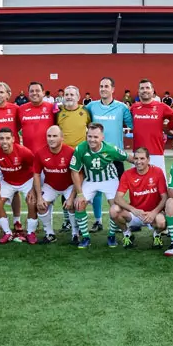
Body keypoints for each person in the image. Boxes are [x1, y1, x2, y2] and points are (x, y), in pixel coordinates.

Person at [69, 123, 132, 248]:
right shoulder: (80, 148)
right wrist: (80, 194)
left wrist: (143, 163)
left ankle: (111, 235)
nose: (92, 140)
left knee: (116, 207)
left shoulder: (110, 149)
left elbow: (128, 157)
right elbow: (74, 172)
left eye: (95, 137)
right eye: (90, 136)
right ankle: (86, 237)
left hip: (110, 180)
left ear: (102, 137)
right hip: (90, 180)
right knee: (79, 204)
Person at [85, 77, 133, 232]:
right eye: (101, 86)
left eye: (106, 86)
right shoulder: (91, 106)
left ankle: (118, 221)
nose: (103, 88)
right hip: (95, 156)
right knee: (97, 190)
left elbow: (133, 124)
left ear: (113, 89)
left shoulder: (122, 108)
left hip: (115, 157)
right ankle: (98, 221)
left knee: (117, 192)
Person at [111, 147, 169, 249]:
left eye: (142, 158)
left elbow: (165, 197)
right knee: (113, 210)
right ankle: (127, 234)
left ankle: (157, 235)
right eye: (136, 158)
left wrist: (154, 212)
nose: (138, 162)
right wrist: (133, 210)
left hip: (153, 214)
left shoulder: (157, 172)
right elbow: (117, 198)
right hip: (136, 213)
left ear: (148, 159)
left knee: (161, 222)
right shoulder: (127, 174)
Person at [0, 81, 24, 234]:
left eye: (3, 92)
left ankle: (17, 220)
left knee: (15, 189)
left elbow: (20, 127)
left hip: (13, 155)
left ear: (8, 94)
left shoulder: (15, 109)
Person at [0, 128, 36, 244]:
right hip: (8, 181)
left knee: (32, 201)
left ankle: (31, 232)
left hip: (26, 180)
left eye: (8, 138)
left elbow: (36, 171)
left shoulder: (24, 152)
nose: (5, 141)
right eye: (2, 138)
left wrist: (34, 189)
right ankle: (7, 232)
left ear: (13, 139)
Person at [55, 85, 91, 231]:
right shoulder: (59, 113)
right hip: (64, 155)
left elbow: (91, 127)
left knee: (81, 187)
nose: (69, 97)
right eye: (67, 94)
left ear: (78, 96)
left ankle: (95, 220)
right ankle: (66, 220)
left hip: (81, 155)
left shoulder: (85, 111)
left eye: (72, 94)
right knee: (66, 187)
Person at [32, 125, 76, 244]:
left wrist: (71, 197)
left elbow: (78, 176)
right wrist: (39, 197)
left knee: (73, 205)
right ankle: (50, 233)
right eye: (49, 136)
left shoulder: (71, 152)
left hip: (69, 186)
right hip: (50, 186)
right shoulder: (40, 153)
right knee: (40, 205)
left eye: (55, 136)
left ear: (62, 138)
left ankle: (75, 234)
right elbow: (36, 174)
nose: (51, 139)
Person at [130, 79, 173, 175]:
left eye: (147, 88)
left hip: (156, 153)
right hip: (138, 154)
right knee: (136, 186)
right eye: (142, 88)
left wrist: (167, 128)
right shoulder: (134, 108)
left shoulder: (162, 107)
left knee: (160, 187)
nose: (145, 90)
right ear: (138, 91)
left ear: (152, 90)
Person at [18, 81, 57, 153]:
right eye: (31, 91)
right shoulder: (21, 109)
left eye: (37, 90)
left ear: (43, 93)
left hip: (49, 154)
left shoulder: (52, 108)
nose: (34, 93)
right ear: (28, 94)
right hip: (28, 154)